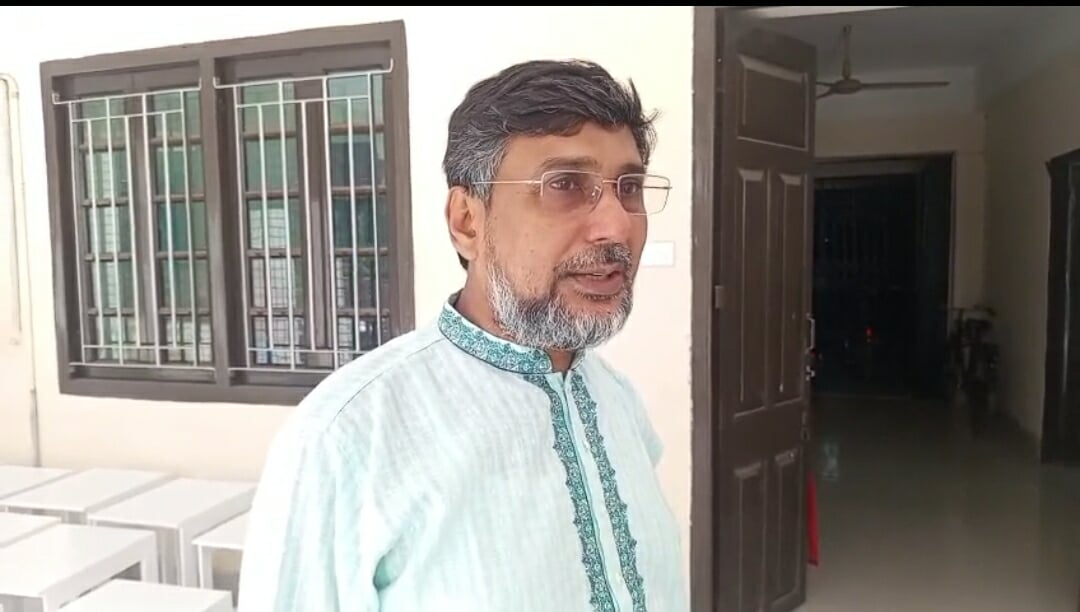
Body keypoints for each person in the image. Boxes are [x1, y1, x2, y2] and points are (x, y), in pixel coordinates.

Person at [237, 58, 687, 612]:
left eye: (630, 187)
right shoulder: (347, 439)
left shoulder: (618, 400)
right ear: (467, 221)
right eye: (565, 185)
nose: (617, 225)